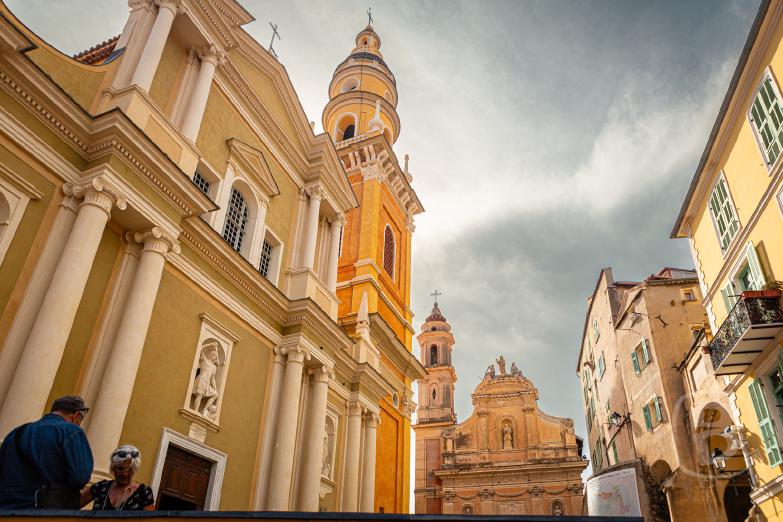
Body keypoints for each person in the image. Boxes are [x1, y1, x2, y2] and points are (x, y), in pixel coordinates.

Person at [0, 395, 93, 509]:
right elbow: (80, 477)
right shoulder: (71, 431)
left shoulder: (16, 433)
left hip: (6, 509)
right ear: (77, 416)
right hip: (45, 511)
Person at [80, 445, 154, 511]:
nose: (125, 474)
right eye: (120, 468)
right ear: (113, 468)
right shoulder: (100, 487)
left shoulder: (143, 493)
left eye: (130, 470)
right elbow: (73, 505)